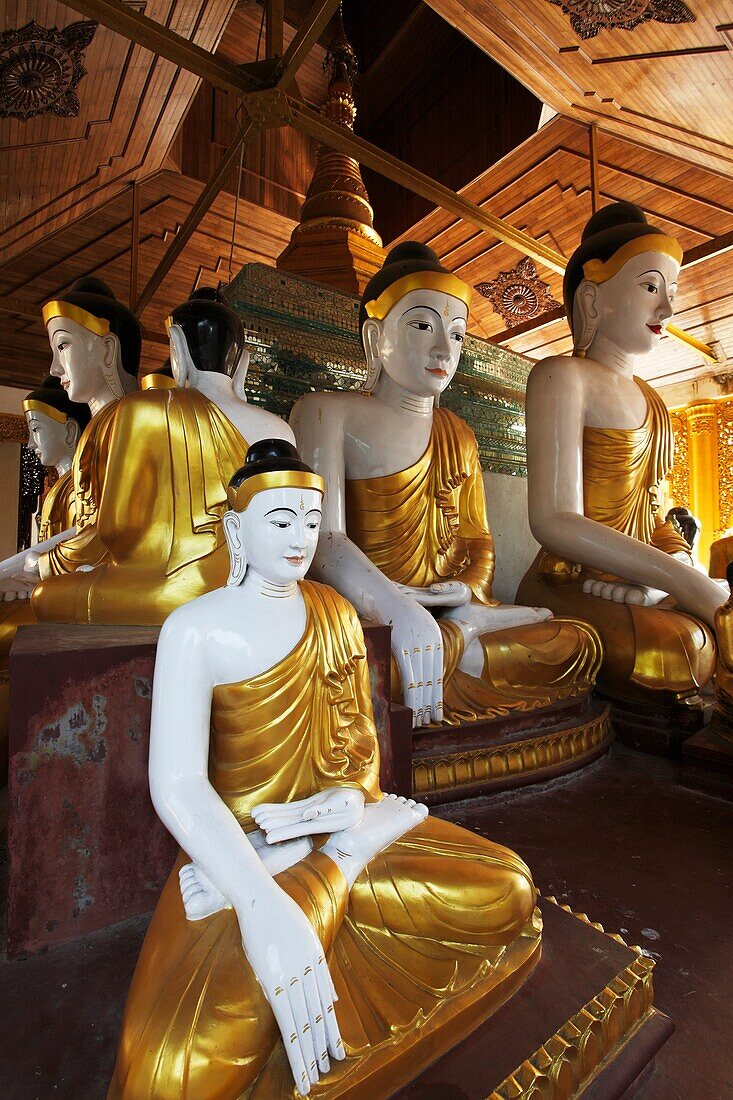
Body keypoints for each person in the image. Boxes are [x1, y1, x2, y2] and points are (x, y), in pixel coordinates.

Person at [108, 440, 539, 1100]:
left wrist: (330, 830)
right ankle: (322, 874)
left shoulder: (333, 613)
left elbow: (357, 762)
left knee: (507, 886)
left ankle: (333, 867)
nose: (299, 539)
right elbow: (180, 787)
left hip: (344, 832)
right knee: (175, 1075)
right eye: (280, 521)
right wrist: (256, 898)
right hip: (237, 854)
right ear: (235, 529)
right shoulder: (194, 629)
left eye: (311, 522)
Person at [292, 242, 600, 729]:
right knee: (353, 666)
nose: (444, 350)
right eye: (421, 325)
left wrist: (468, 593)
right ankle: (455, 640)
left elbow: (477, 540)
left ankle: (464, 631)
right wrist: (397, 610)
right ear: (375, 337)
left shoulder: (459, 433)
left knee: (579, 640)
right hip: (374, 612)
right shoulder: (327, 411)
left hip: (452, 606)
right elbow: (323, 540)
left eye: (456, 335)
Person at [517, 203, 722, 706]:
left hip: (643, 579)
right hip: (569, 580)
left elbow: (653, 513)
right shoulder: (560, 376)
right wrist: (679, 580)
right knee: (676, 650)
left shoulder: (653, 399)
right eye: (650, 287)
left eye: (670, 293)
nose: (667, 311)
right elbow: (554, 520)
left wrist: (680, 562)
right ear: (592, 298)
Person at [33, 287, 294, 624]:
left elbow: (117, 528)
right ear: (241, 361)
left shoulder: (145, 409)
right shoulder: (280, 429)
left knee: (43, 597)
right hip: (260, 586)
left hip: (180, 588)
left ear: (177, 350)